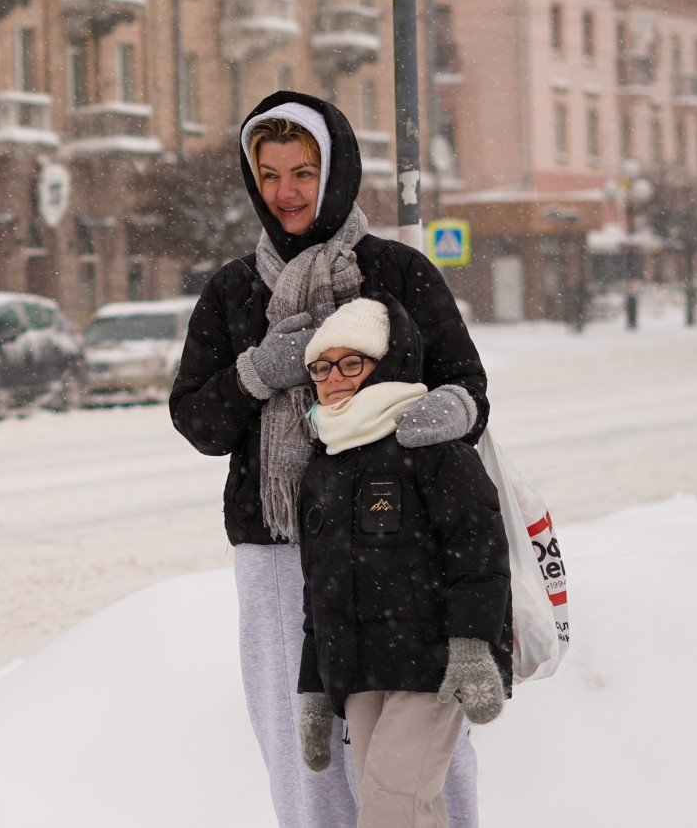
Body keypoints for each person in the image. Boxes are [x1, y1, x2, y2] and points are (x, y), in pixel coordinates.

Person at [169, 91, 491, 827]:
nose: (286, 192)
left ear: (336, 171)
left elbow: (467, 385)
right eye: (270, 173)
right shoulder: (234, 291)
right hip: (279, 551)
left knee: (415, 742)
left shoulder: (398, 273)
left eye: (303, 172)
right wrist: (258, 372)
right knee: (304, 746)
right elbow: (197, 420)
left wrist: (443, 415)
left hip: (397, 542)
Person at [295, 294, 512, 828]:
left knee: (391, 806)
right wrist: (314, 687)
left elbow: (478, 550)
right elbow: (319, 590)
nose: (334, 378)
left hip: (433, 666)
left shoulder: (432, 447)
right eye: (322, 367)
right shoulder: (323, 467)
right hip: (361, 672)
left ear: (387, 364)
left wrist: (472, 646)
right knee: (398, 806)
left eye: (352, 363)